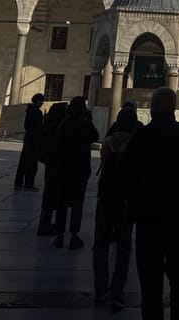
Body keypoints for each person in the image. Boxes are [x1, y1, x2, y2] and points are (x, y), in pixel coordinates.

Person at [118, 86, 179, 320]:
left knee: (150, 282)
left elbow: (126, 173)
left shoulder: (143, 136)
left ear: (154, 107)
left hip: (149, 219)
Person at [93, 104, 139, 307]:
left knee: (101, 243)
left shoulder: (109, 142)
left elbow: (103, 163)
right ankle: (118, 291)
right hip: (127, 199)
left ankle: (100, 288)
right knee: (124, 245)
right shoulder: (137, 144)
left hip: (106, 196)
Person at [52, 96, 99, 250]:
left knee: (62, 203)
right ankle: (74, 236)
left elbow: (57, 142)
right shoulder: (85, 124)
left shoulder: (65, 124)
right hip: (80, 168)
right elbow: (95, 136)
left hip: (64, 167)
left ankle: (59, 235)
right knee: (77, 204)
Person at [36, 102, 67, 236]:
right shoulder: (56, 129)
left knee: (50, 194)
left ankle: (46, 223)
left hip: (51, 164)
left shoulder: (49, 126)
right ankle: (45, 225)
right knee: (52, 195)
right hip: (56, 164)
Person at [14, 93, 45, 191]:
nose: (42, 103)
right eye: (41, 101)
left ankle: (18, 183)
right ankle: (28, 184)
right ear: (38, 101)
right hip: (33, 141)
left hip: (28, 139)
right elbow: (37, 127)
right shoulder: (36, 112)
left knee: (23, 163)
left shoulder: (29, 110)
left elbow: (27, 126)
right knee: (32, 164)